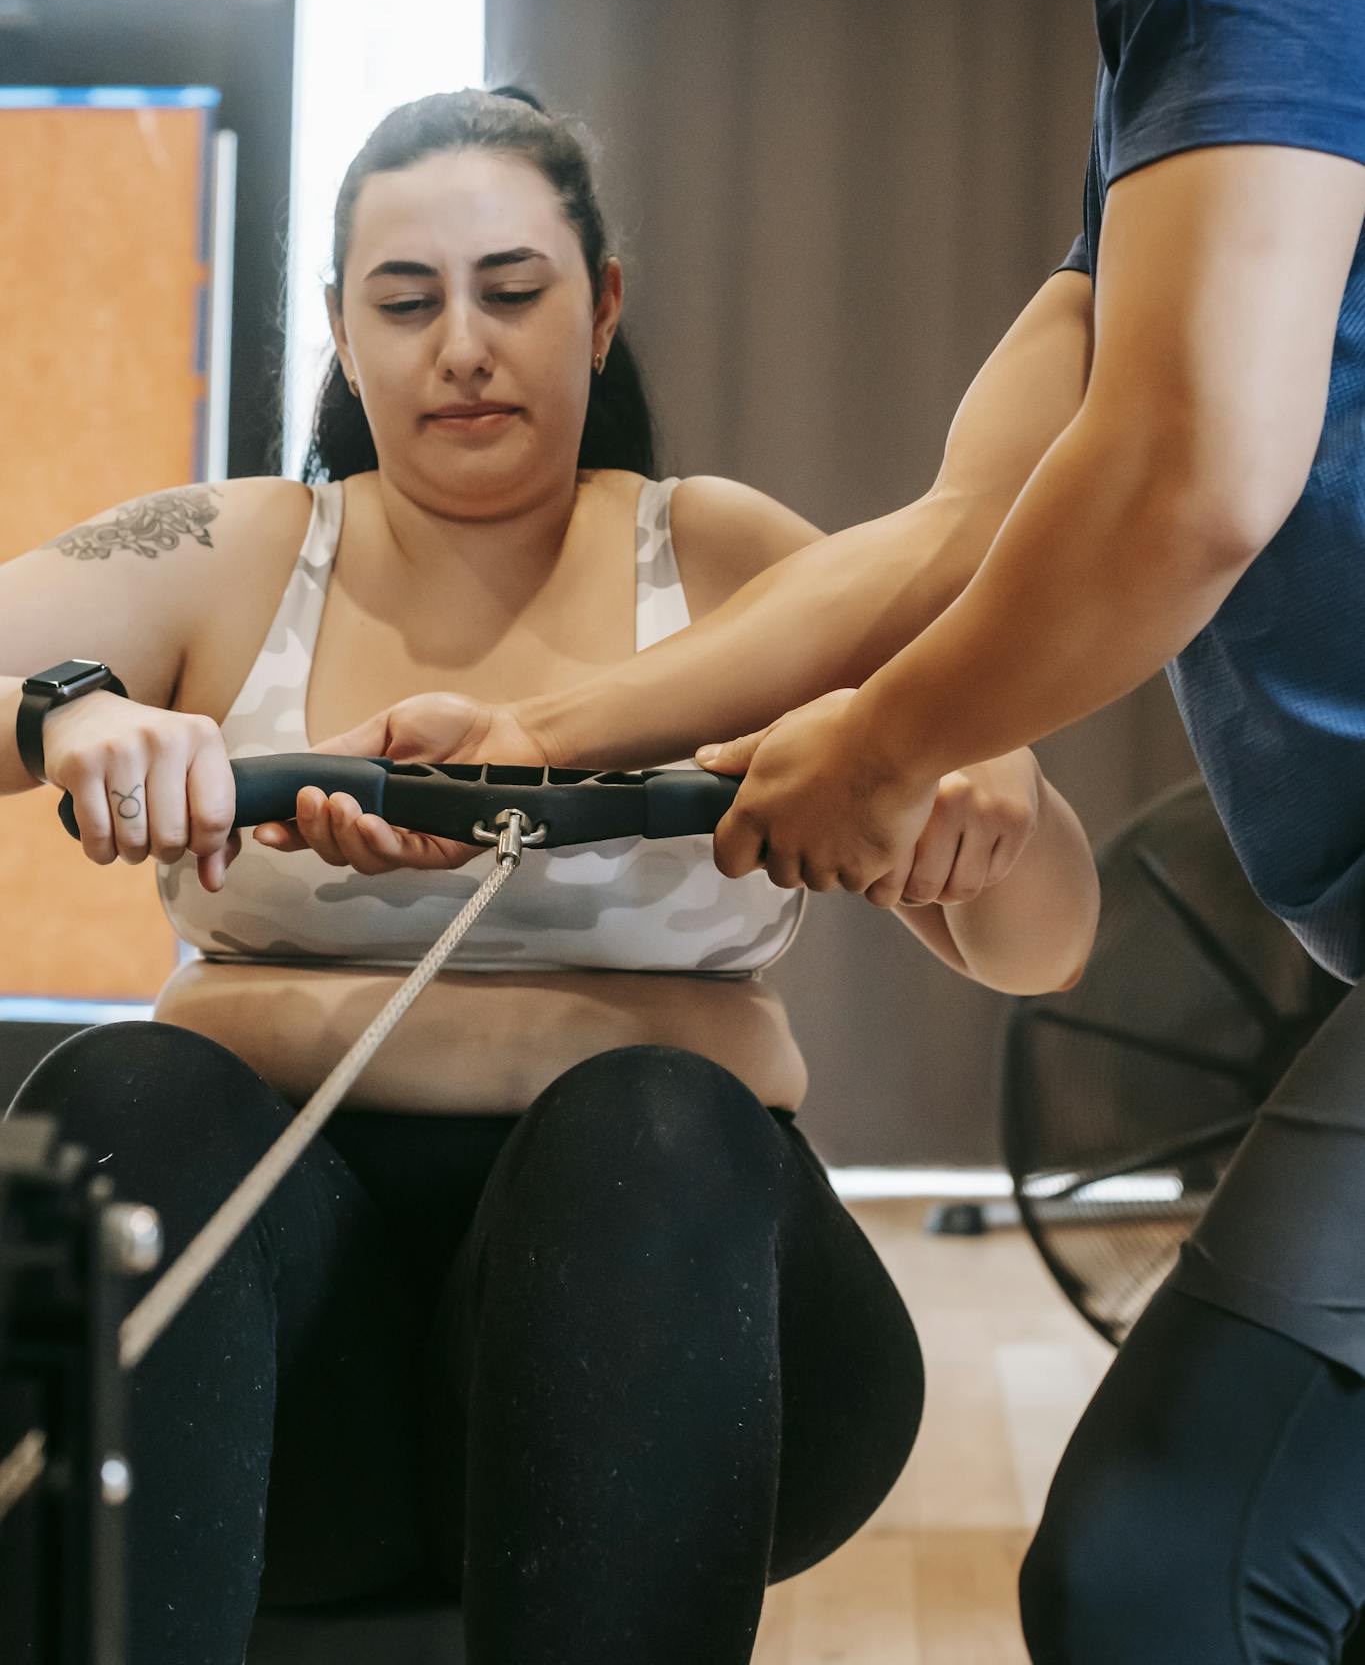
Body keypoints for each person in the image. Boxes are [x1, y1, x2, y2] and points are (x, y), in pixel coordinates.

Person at [293, 0, 1365, 1660]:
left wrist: (881, 751)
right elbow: (958, 520)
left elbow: (1189, 473)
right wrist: (537, 740)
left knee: (1167, 1569)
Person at [0, 87, 1098, 1665]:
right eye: (405, 299)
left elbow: (1040, 947)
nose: (462, 344)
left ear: (602, 310)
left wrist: (976, 775)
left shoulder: (723, 559)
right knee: (124, 1100)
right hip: (299, 1369)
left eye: (513, 291)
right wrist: (73, 711)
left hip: (681, 1294)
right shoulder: (232, 547)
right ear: (336, 328)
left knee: (644, 1122)